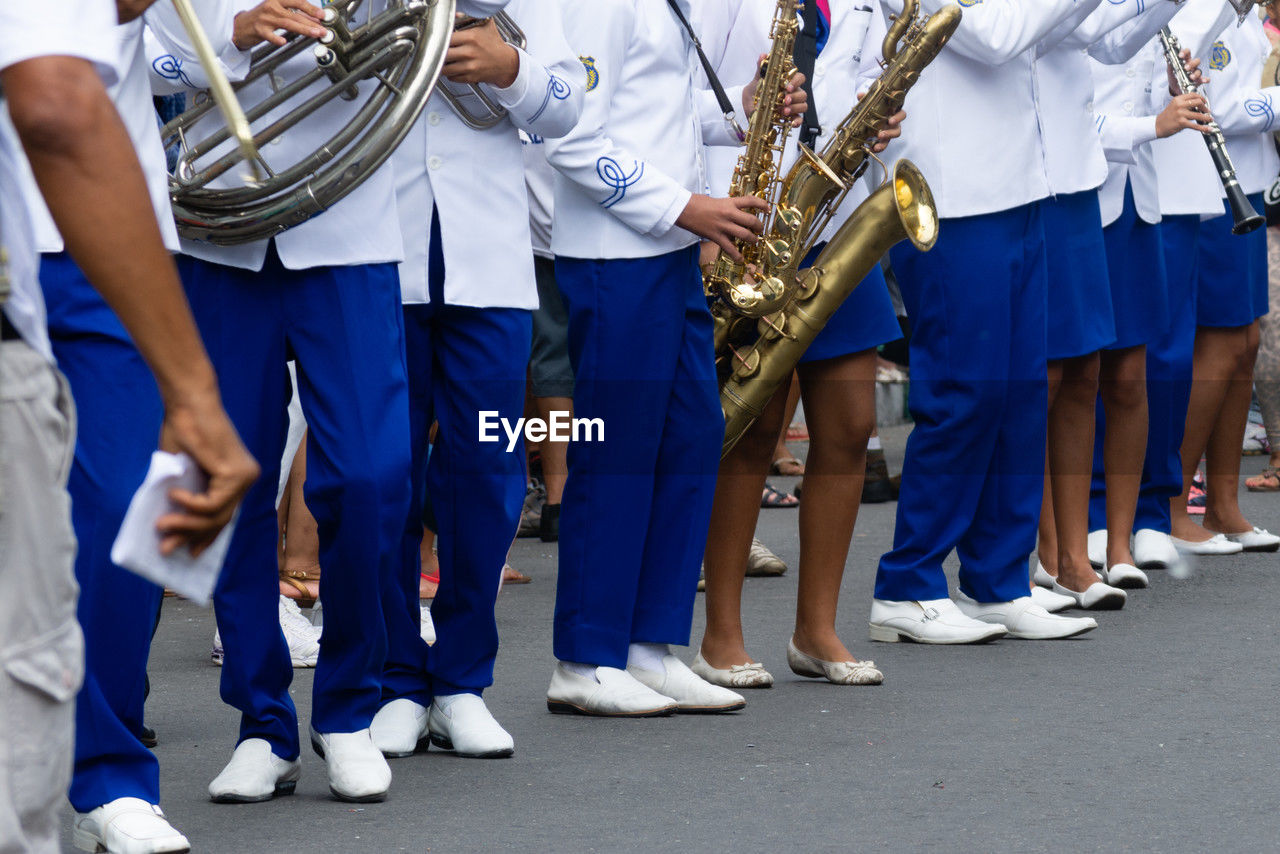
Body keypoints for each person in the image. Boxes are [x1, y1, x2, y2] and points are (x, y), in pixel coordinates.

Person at [160, 0, 510, 805]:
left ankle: (347, 709)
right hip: (221, 235)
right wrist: (230, 35)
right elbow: (144, 59)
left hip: (348, 233)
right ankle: (262, 724)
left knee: (372, 477)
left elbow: (422, 46)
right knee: (232, 483)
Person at [1, 1, 257, 850]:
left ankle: (106, 772)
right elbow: (54, 98)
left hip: (105, 234)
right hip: (31, 227)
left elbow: (196, 60)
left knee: (118, 503)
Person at [543, 0, 805, 715]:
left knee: (690, 434)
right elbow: (567, 135)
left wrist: (738, 112)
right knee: (622, 452)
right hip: (618, 249)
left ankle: (648, 647)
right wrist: (686, 207)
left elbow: (652, 102)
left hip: (664, 246)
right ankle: (585, 657)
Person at [370, 0, 585, 761]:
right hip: (376, 249)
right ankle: (395, 678)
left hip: (490, 260)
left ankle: (461, 681)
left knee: (487, 476)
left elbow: (567, 102)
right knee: (383, 475)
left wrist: (512, 69)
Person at [867, 0, 1107, 643]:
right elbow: (994, 37)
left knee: (1021, 394)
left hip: (1020, 186)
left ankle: (998, 580)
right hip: (951, 196)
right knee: (964, 394)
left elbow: (1069, 32)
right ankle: (906, 586)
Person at [693, 0, 905, 689]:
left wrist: (881, 120)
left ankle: (816, 631)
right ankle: (721, 634)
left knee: (849, 427)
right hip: (752, 213)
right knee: (753, 430)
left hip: (834, 213)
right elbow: (689, 95)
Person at [1034, 0, 1198, 610]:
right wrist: (1150, 126)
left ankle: (1119, 544)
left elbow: (1124, 47)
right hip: (1077, 193)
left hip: (1136, 200)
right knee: (1064, 376)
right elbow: (1057, 113)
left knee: (1130, 377)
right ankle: (1050, 552)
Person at [1165, 0, 1280, 555]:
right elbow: (1205, 104)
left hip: (1248, 181)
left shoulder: (1246, 12)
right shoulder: (1202, 8)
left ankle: (1223, 503)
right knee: (1221, 343)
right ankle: (1173, 501)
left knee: (1245, 340)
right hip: (1211, 189)